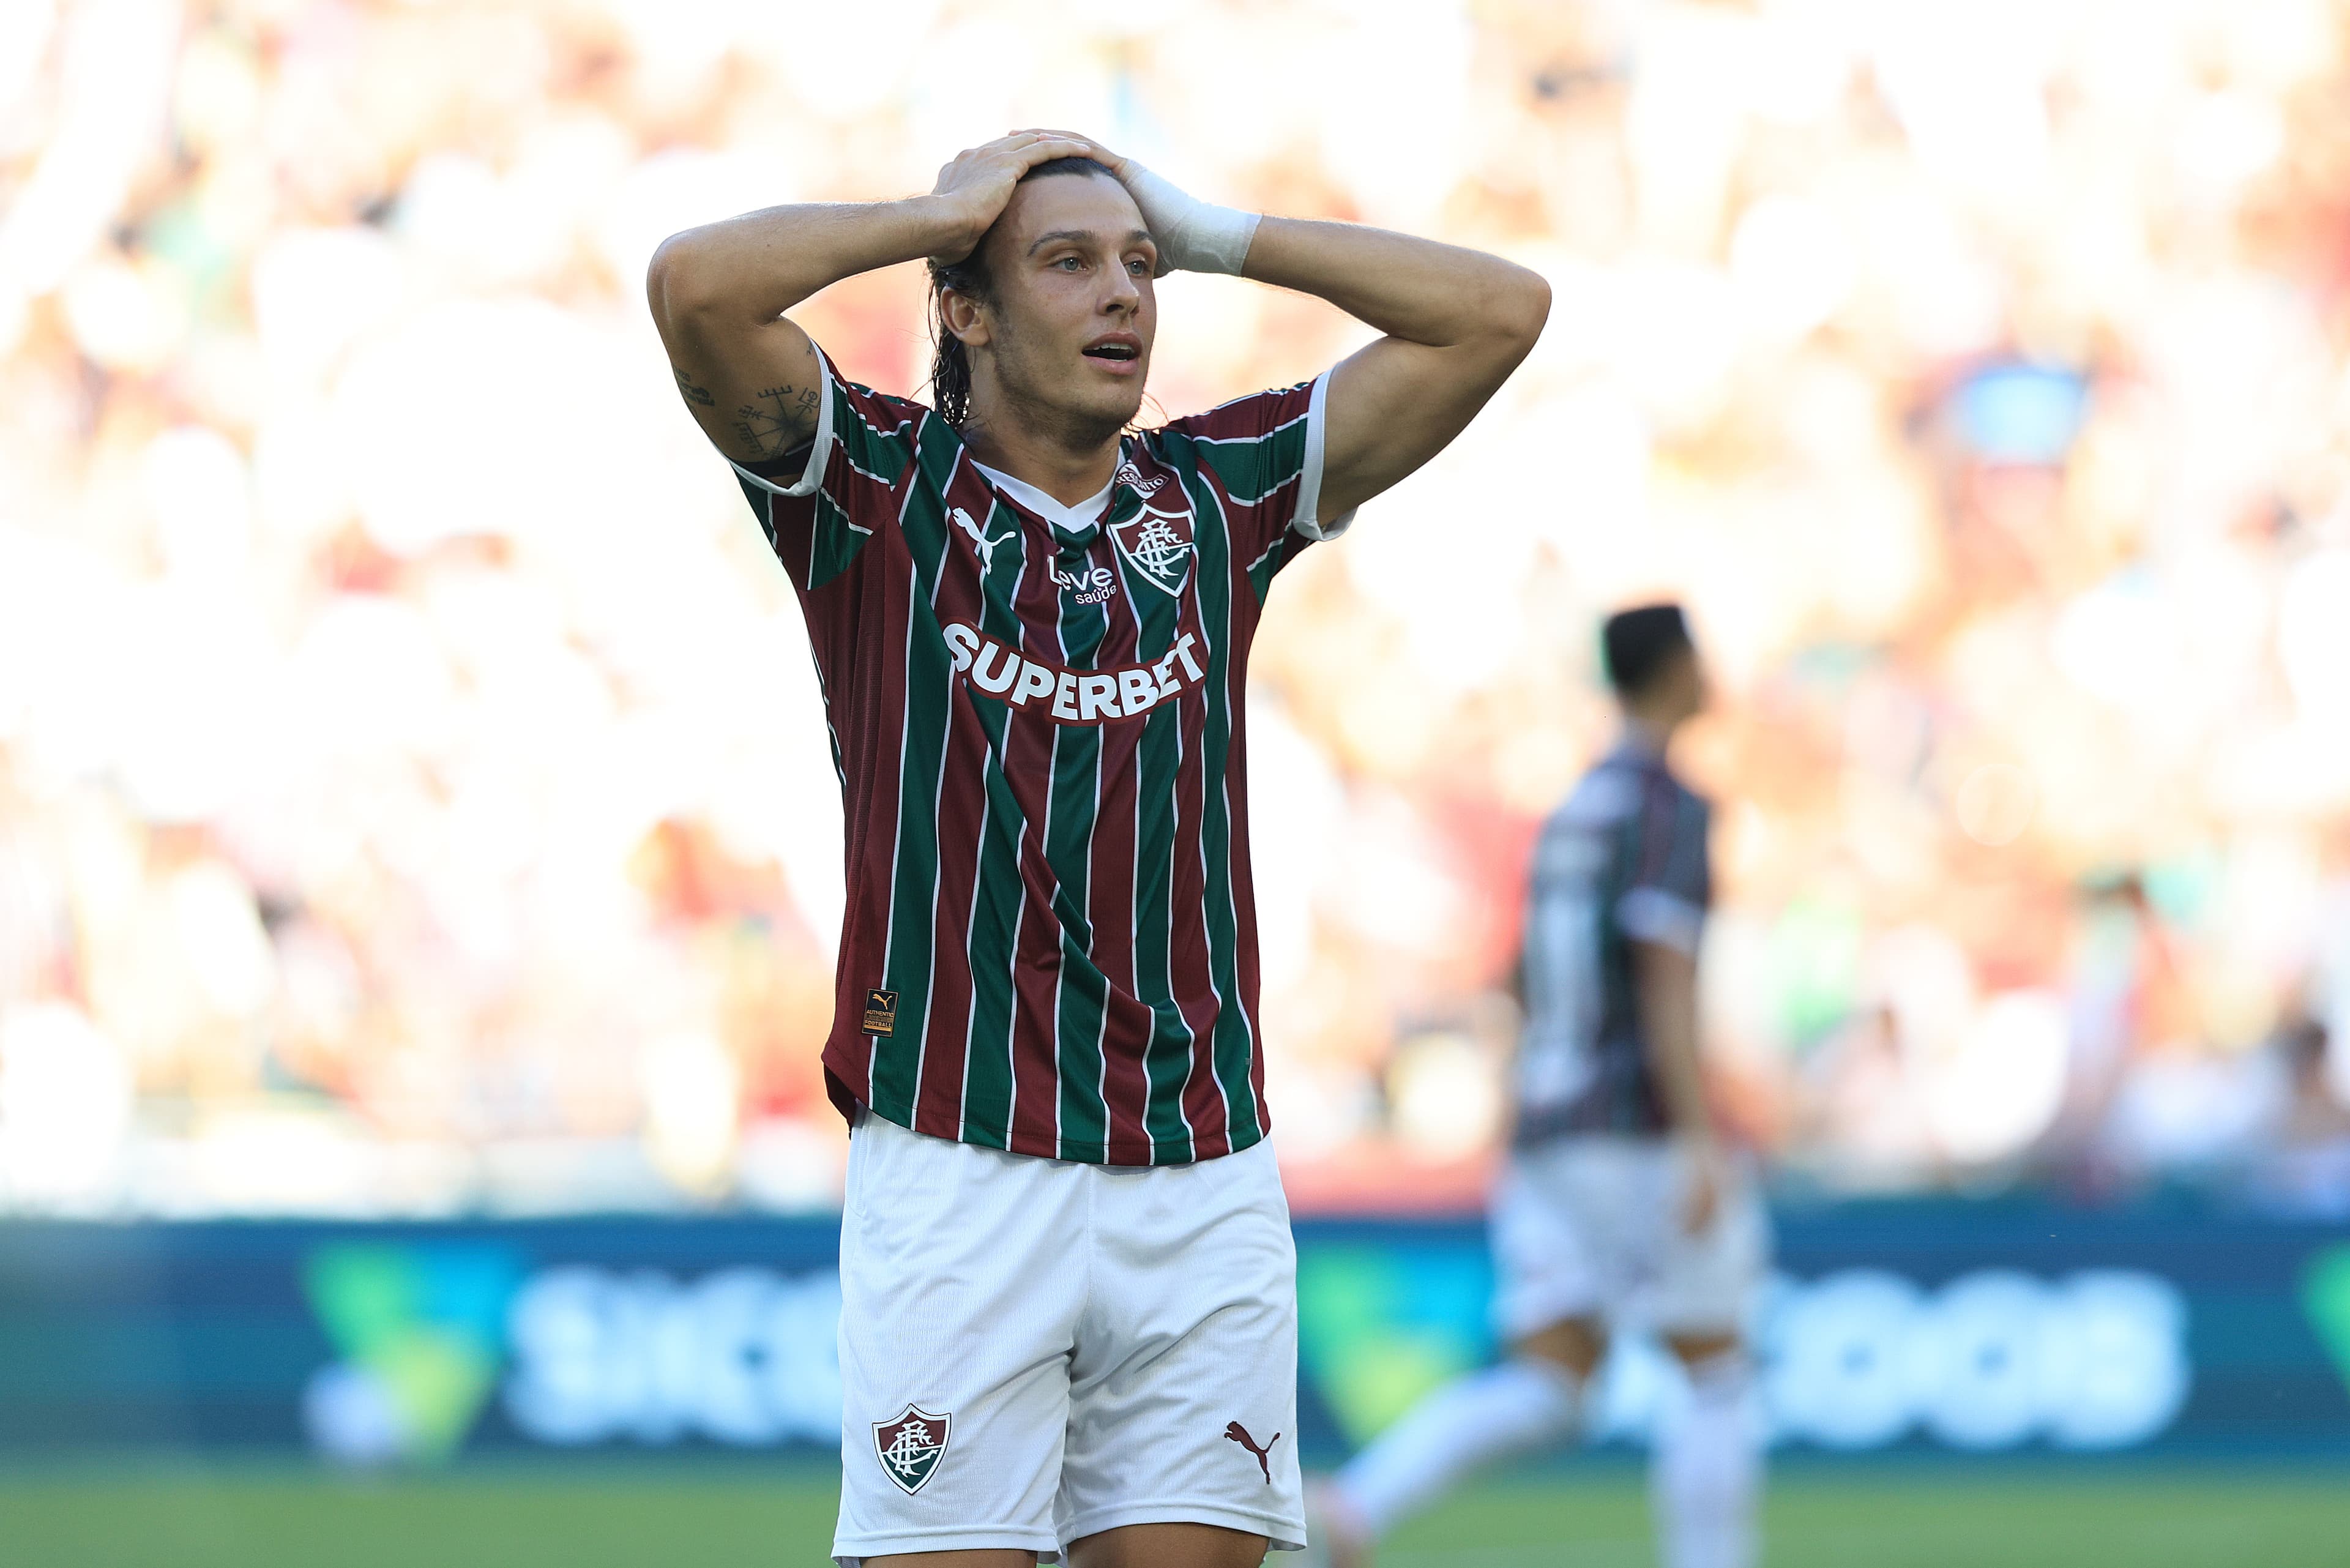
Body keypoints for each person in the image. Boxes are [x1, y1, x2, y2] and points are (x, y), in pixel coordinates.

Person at [645, 131, 1549, 1568]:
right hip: (959, 1163)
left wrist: (1222, 233)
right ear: (970, 309)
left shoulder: (1216, 496)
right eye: (1067, 263)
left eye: (1140, 267)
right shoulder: (874, 491)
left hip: (1199, 1173)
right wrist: (936, 217)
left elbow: (1500, 311)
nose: (1123, 295)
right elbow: (696, 288)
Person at [1310, 605, 1767, 1568]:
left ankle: (1354, 1506)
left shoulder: (1574, 809)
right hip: (1634, 1128)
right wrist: (1697, 1135)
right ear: (1679, 667)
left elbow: (1518, 976)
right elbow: (1662, 971)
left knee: (1554, 1383)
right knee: (1716, 1370)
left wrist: (1526, 1089)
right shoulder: (1667, 806)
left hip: (1550, 1129)